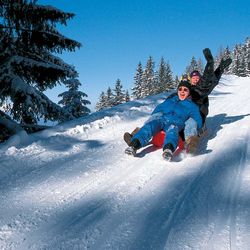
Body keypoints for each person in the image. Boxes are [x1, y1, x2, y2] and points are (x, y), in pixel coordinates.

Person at [124, 48, 232, 154]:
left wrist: (218, 68)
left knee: (190, 122)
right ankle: (136, 137)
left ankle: (190, 141)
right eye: (193, 77)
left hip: (193, 115)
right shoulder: (181, 92)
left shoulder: (200, 90)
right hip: (175, 114)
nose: (196, 79)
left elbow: (209, 81)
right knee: (156, 117)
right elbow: (167, 104)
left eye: (198, 77)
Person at [125, 80, 202, 161]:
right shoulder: (170, 100)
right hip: (162, 119)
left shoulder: (192, 105)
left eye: (185, 90)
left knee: (172, 132)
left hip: (176, 122)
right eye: (180, 89)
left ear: (189, 92)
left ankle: (168, 150)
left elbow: (197, 119)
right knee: (149, 126)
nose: (182, 91)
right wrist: (153, 118)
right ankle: (134, 145)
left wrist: (197, 130)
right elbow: (158, 109)